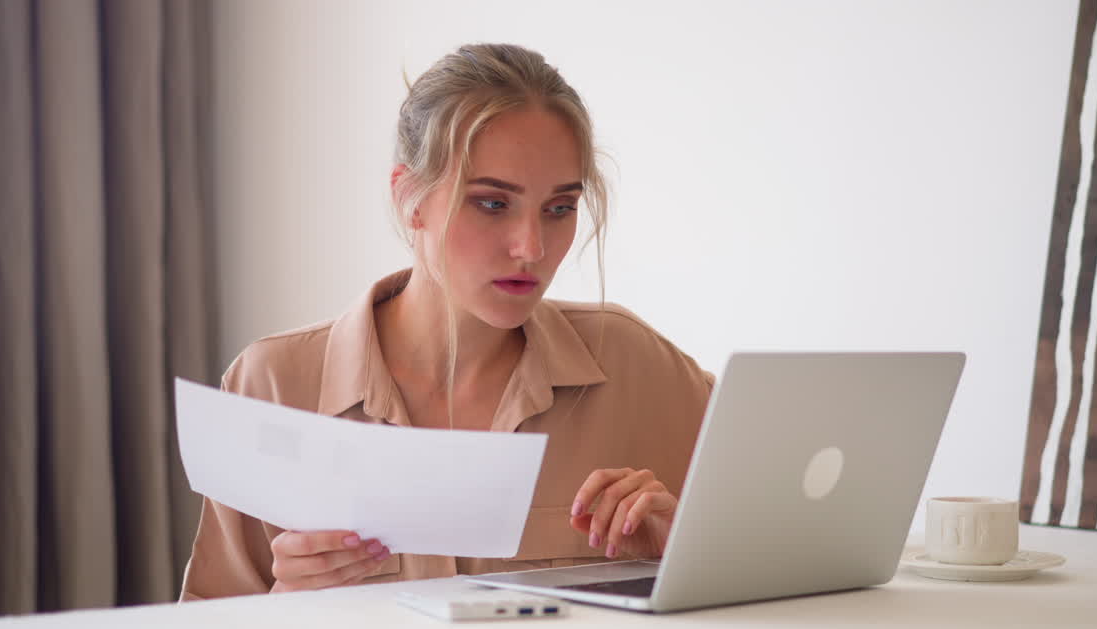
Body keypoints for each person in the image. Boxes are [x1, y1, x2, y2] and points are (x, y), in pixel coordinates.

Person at [180, 44, 712, 600]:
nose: (531, 247)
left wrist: (684, 557)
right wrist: (285, 603)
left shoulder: (636, 366)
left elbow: (780, 572)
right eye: (490, 203)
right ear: (409, 196)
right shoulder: (271, 385)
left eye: (559, 208)